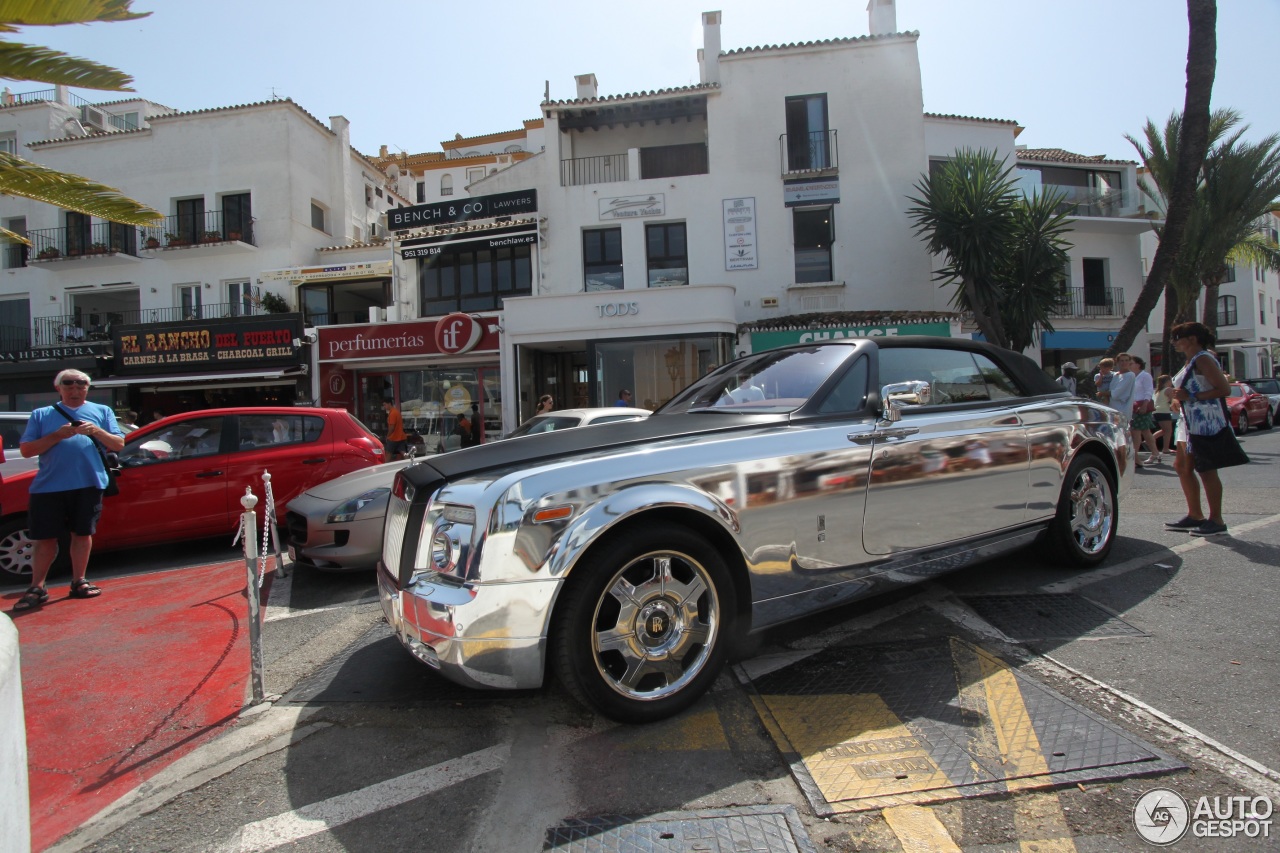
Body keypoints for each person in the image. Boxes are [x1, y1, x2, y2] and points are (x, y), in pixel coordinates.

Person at [12, 369, 126, 612]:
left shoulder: (102, 411)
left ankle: (79, 581)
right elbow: (27, 450)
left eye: (81, 385)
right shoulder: (41, 414)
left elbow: (118, 443)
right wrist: (57, 435)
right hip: (49, 487)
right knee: (45, 538)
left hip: (88, 483)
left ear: (87, 387)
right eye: (69, 385)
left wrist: (95, 430)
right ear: (59, 388)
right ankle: (37, 587)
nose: (75, 390)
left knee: (82, 534)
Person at [1166, 322, 1236, 537]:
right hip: (1189, 421)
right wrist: (1179, 400)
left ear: (1192, 339)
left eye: (1178, 337)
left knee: (1205, 469)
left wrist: (1192, 397)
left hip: (1204, 422)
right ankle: (1195, 514)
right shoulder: (1193, 360)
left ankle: (1216, 519)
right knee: (1182, 466)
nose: (1175, 342)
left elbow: (1224, 389)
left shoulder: (1203, 358)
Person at [1129, 355, 1159, 467]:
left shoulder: (1145, 376)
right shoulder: (1132, 376)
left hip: (1142, 405)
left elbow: (1148, 391)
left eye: (1131, 363)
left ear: (1138, 364)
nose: (1129, 365)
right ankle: (1155, 453)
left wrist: (1145, 405)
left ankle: (1134, 456)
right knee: (1145, 431)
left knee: (1135, 430)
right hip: (1134, 406)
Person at [1149, 374, 1176, 462]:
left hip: (1157, 412)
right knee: (1168, 430)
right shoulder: (1168, 389)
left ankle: (1150, 439)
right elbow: (1172, 401)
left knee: (1164, 430)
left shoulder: (1158, 391)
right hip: (1164, 412)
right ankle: (1165, 448)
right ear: (1168, 381)